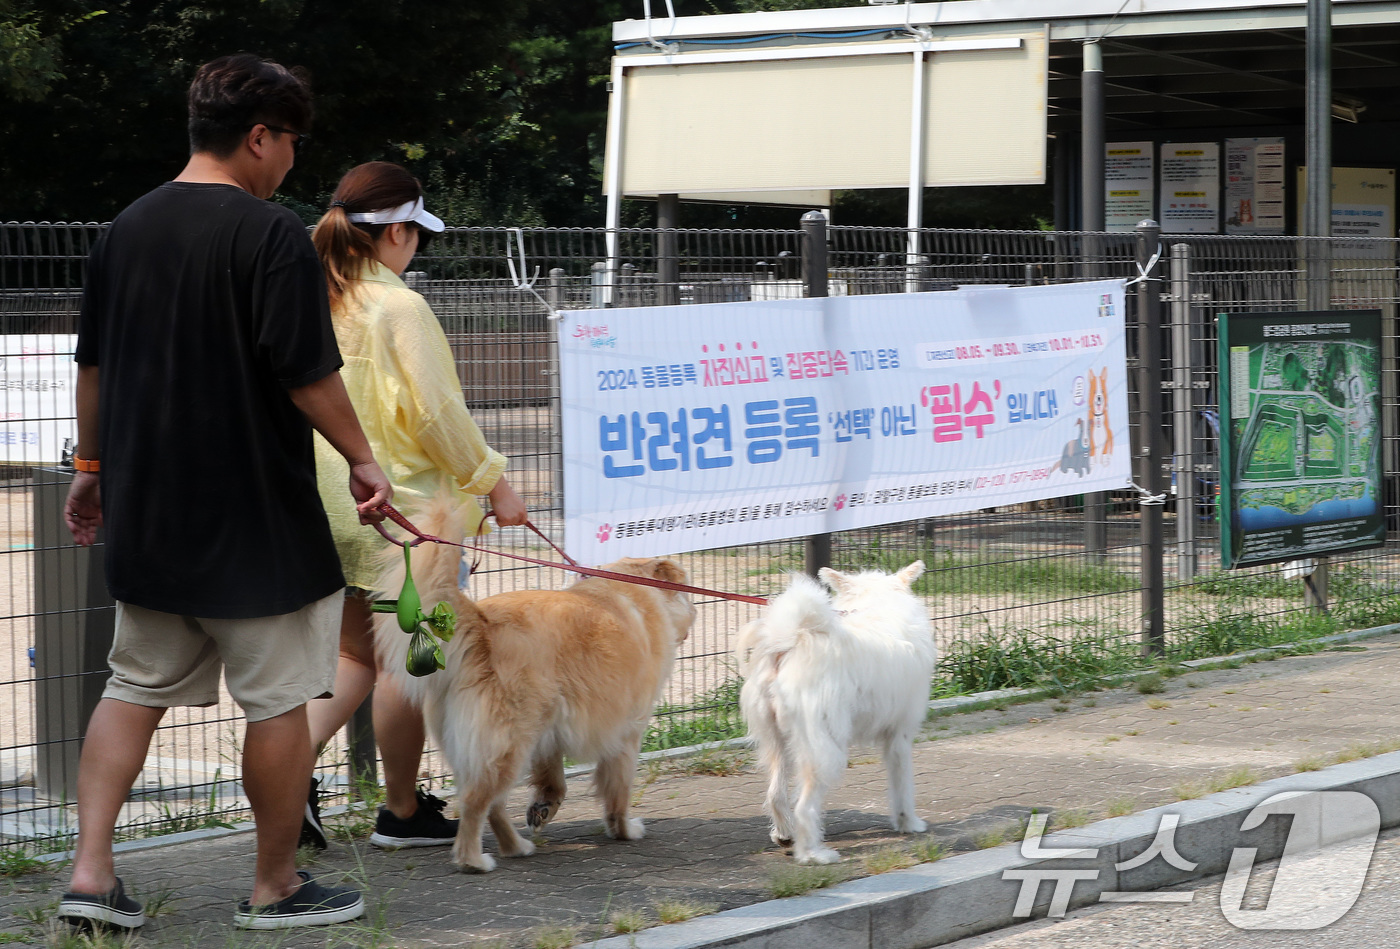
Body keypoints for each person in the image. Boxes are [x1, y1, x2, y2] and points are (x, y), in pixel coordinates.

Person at [58, 54, 392, 932]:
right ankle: (274, 885)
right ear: (257, 137)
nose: (291, 159)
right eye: (289, 141)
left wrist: (91, 473)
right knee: (278, 701)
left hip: (152, 513)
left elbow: (92, 370)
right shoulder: (268, 232)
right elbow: (306, 372)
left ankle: (91, 876)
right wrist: (362, 458)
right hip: (255, 521)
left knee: (131, 686)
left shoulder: (124, 228)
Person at [301, 161, 527, 850]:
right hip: (411, 516)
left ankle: (285, 779)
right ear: (396, 230)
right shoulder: (400, 306)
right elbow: (436, 414)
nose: (417, 245)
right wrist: (493, 479)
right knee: (412, 660)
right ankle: (400, 810)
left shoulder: (321, 295)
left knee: (352, 657)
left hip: (337, 503)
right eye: (416, 234)